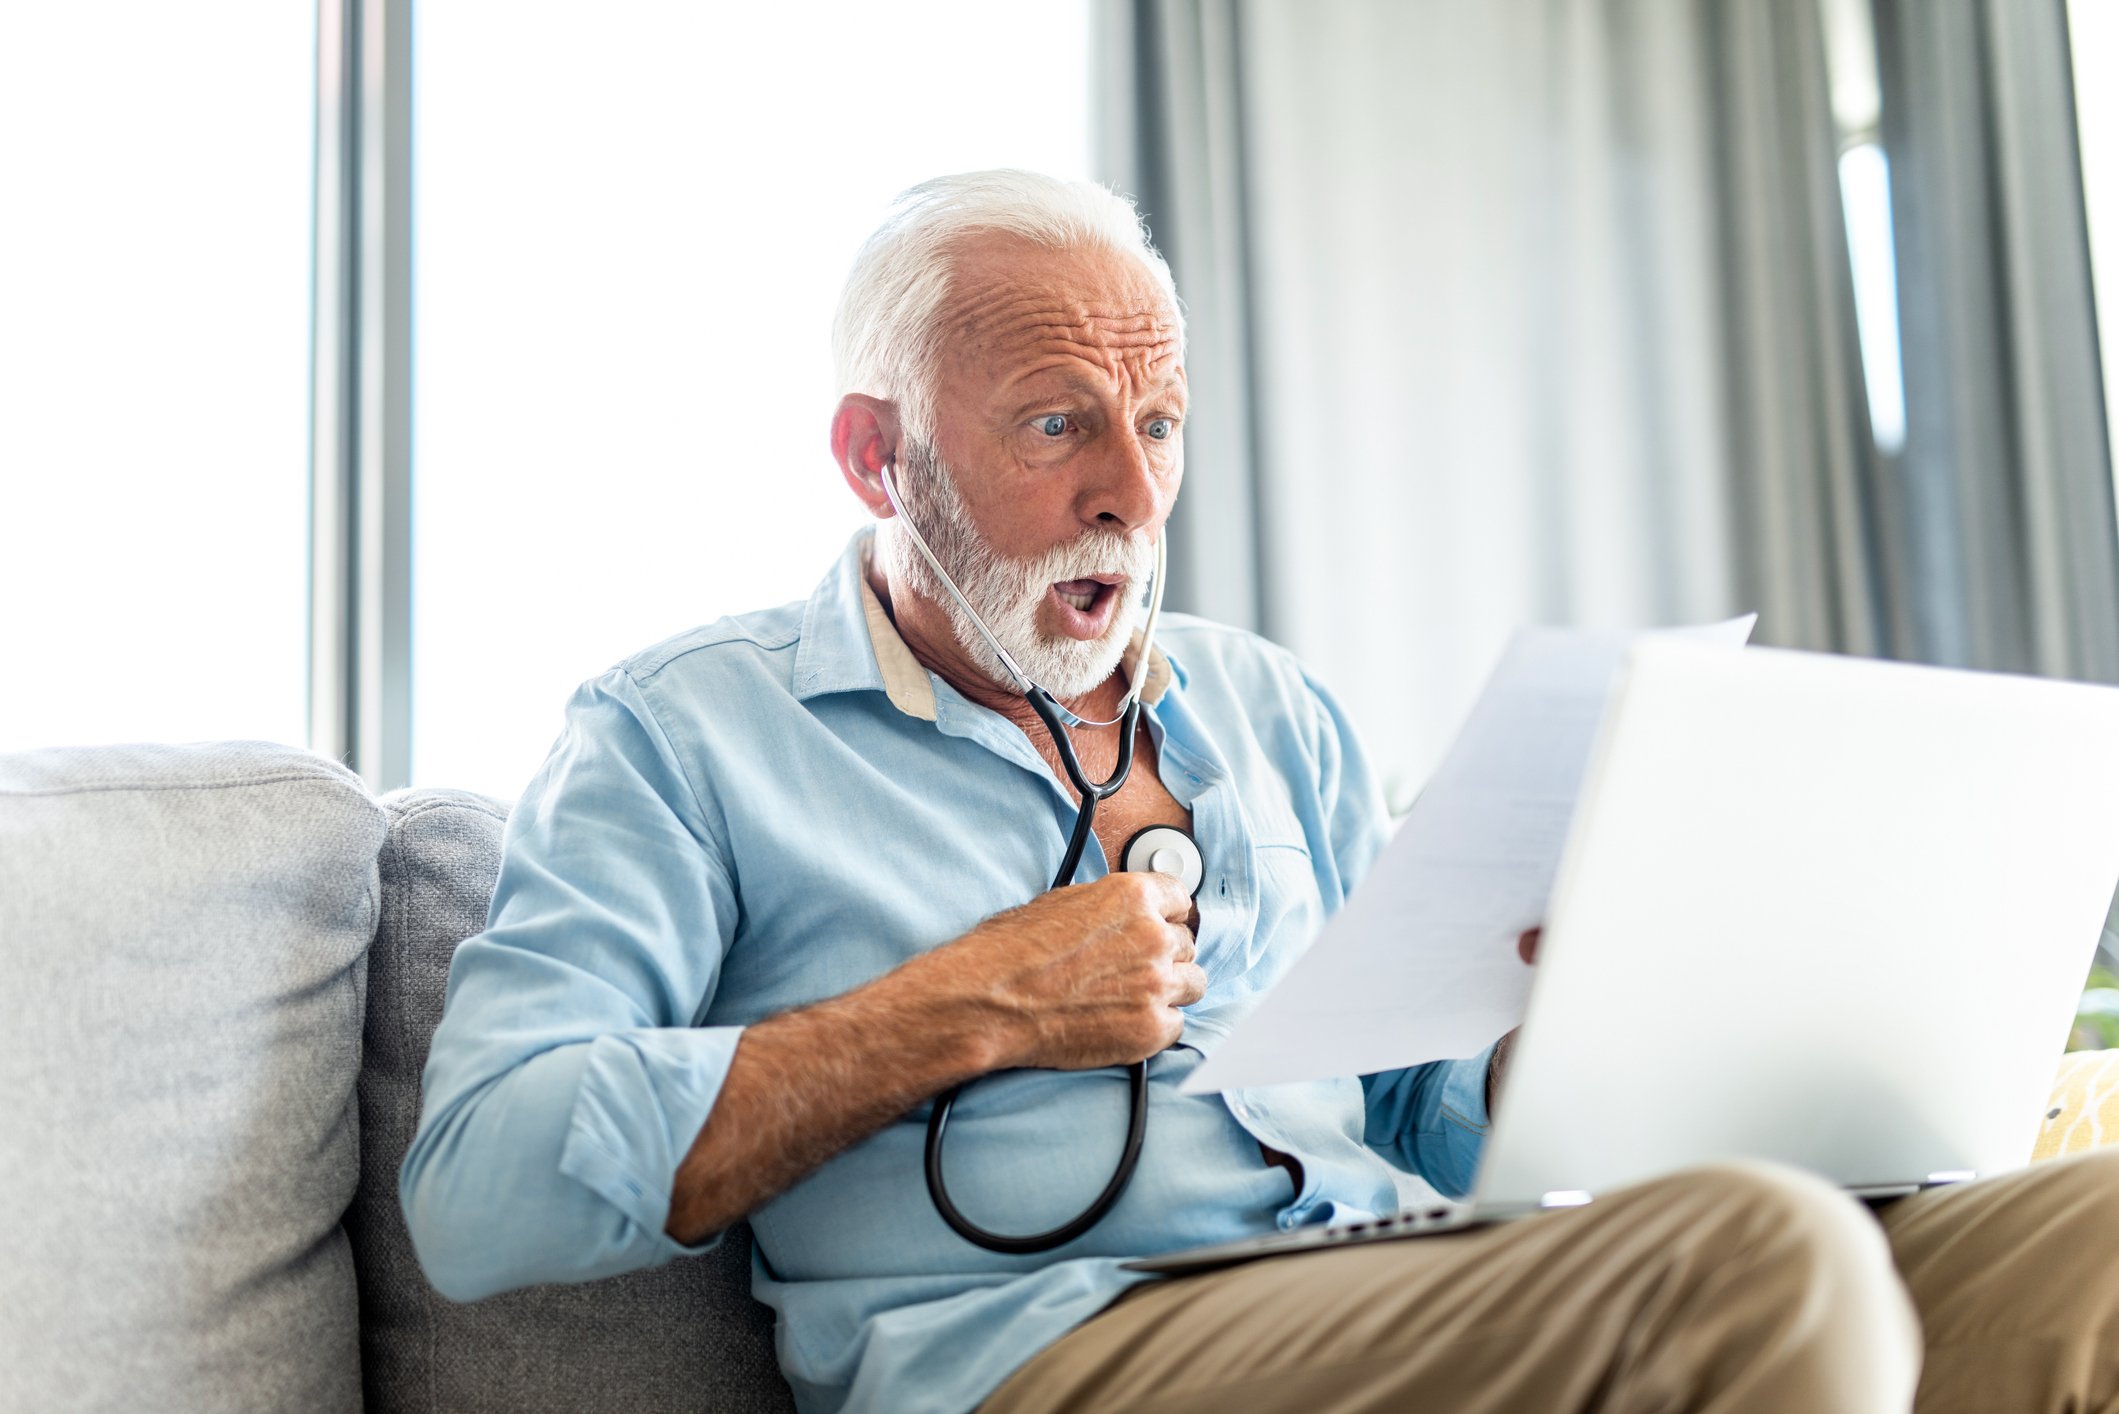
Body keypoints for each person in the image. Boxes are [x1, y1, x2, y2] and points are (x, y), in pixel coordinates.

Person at [401, 169, 2119, 1414]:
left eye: (1158, 423)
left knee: (2093, 1236)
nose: (1131, 494)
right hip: (1049, 1348)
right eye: (1059, 424)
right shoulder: (680, 734)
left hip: (1399, 1278)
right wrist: (960, 1008)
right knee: (1755, 1261)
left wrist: (1564, 1034)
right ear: (877, 454)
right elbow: (480, 1184)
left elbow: (1419, 1109)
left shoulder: (1266, 705)